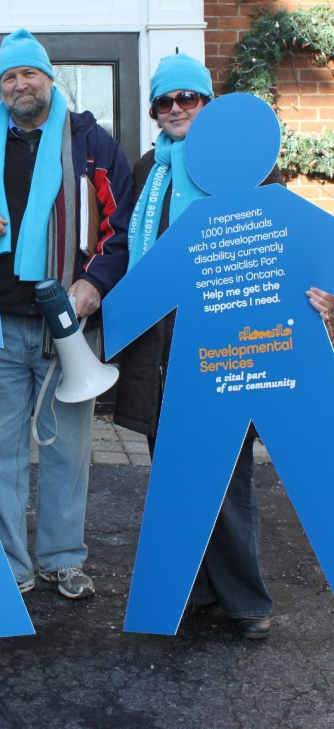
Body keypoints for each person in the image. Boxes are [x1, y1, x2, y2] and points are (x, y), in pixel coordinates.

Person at [0, 28, 133, 598]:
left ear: (49, 78)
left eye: (29, 74)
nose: (20, 85)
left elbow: (122, 226)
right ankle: (11, 565)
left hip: (69, 328)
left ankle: (63, 558)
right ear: (1, 88)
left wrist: (94, 282)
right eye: (9, 77)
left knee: (68, 448)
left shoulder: (91, 143)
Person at [112, 54, 284, 640]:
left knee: (225, 473)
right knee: (175, 475)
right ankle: (198, 589)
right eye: (166, 100)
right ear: (155, 111)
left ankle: (246, 600)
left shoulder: (244, 163)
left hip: (222, 344)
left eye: (190, 97)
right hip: (159, 344)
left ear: (209, 104)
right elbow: (131, 247)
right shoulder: (146, 168)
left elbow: (278, 244)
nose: (178, 107)